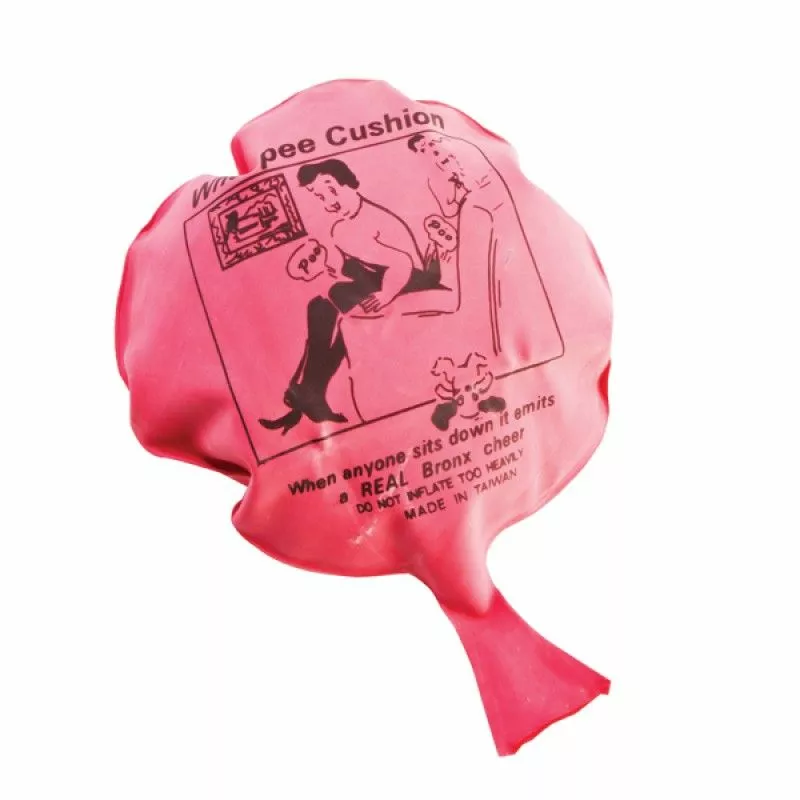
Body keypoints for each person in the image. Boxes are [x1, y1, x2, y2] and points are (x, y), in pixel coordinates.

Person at [259, 159, 447, 434]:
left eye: (332, 190)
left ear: (348, 184)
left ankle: (307, 391)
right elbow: (362, 269)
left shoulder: (358, 226)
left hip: (410, 282)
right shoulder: (346, 226)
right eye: (320, 196)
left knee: (333, 301)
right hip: (389, 279)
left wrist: (385, 294)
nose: (329, 201)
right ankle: (309, 392)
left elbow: (402, 263)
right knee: (320, 306)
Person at [407, 132, 528, 356]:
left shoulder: (461, 156)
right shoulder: (436, 178)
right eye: (423, 148)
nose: (429, 148)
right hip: (469, 229)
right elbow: (448, 209)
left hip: (489, 223)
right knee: (481, 286)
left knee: (502, 281)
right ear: (420, 155)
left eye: (430, 143)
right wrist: (456, 188)